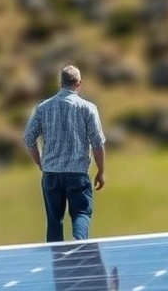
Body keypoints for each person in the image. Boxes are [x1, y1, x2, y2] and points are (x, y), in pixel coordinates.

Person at [22, 65, 106, 242]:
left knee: (54, 220)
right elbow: (97, 142)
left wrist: (40, 162)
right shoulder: (87, 108)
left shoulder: (43, 108)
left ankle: (56, 258)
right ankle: (79, 240)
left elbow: (29, 138)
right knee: (81, 212)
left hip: (51, 172)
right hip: (77, 172)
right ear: (79, 83)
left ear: (61, 83)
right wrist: (101, 171)